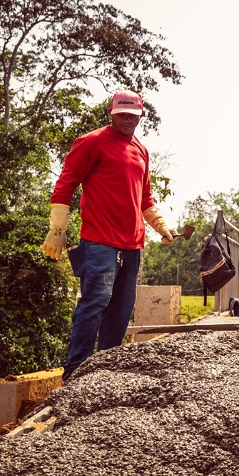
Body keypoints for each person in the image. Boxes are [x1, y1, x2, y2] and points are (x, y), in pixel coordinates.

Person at [43, 90, 176, 381]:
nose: (128, 120)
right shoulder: (91, 142)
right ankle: (75, 372)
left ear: (141, 116)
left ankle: (106, 372)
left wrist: (161, 226)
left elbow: (145, 199)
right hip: (99, 242)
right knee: (95, 302)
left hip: (132, 245)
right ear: (111, 113)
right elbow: (65, 185)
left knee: (121, 310)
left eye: (133, 116)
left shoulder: (141, 150)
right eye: (122, 115)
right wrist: (57, 229)